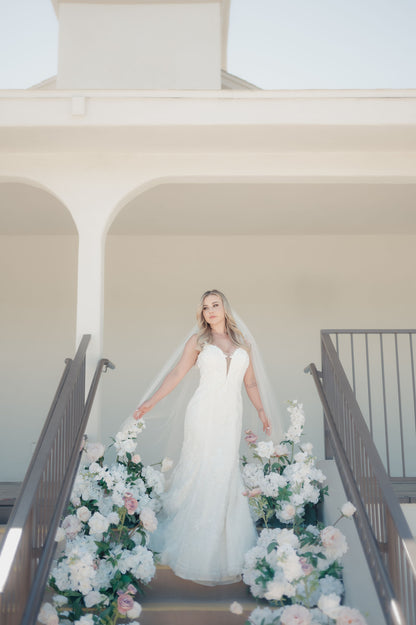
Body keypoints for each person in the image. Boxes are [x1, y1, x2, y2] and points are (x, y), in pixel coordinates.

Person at [132, 289, 273, 585]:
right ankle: (193, 538)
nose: (210, 311)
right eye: (205, 307)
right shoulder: (198, 342)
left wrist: (261, 411)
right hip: (202, 414)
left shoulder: (244, 345)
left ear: (225, 308)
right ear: (202, 313)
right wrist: (151, 401)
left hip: (229, 416)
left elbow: (251, 383)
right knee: (202, 467)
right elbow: (176, 374)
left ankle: (225, 541)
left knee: (224, 471)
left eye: (215, 305)